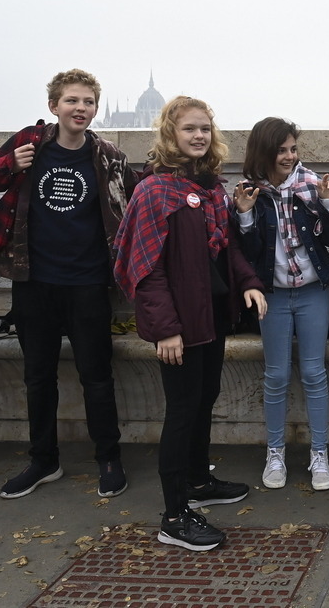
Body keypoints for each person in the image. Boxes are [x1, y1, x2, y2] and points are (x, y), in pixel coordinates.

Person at [114, 96, 267, 552]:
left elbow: (228, 251)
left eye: (205, 128)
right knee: (181, 412)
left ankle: (199, 482)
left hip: (212, 317)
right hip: (178, 324)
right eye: (189, 129)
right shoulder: (154, 190)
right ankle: (174, 513)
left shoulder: (213, 188)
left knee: (205, 399)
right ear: (170, 135)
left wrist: (249, 283)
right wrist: (165, 329)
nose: (199, 135)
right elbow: (146, 267)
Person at [0, 69, 137, 500]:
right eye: (72, 101)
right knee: (38, 377)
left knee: (96, 376)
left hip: (87, 283)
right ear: (54, 106)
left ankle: (109, 458)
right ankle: (43, 461)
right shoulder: (30, 143)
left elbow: (135, 201)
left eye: (87, 102)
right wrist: (13, 164)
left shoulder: (107, 156)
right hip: (33, 280)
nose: (80, 108)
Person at [234, 118, 329, 492]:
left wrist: (328, 205)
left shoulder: (312, 185)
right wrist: (246, 215)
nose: (289, 156)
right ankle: (276, 452)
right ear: (264, 152)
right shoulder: (251, 191)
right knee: (276, 375)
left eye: (293, 149)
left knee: (314, 373)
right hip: (274, 296)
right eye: (281, 150)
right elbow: (247, 255)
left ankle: (319, 454)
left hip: (313, 292)